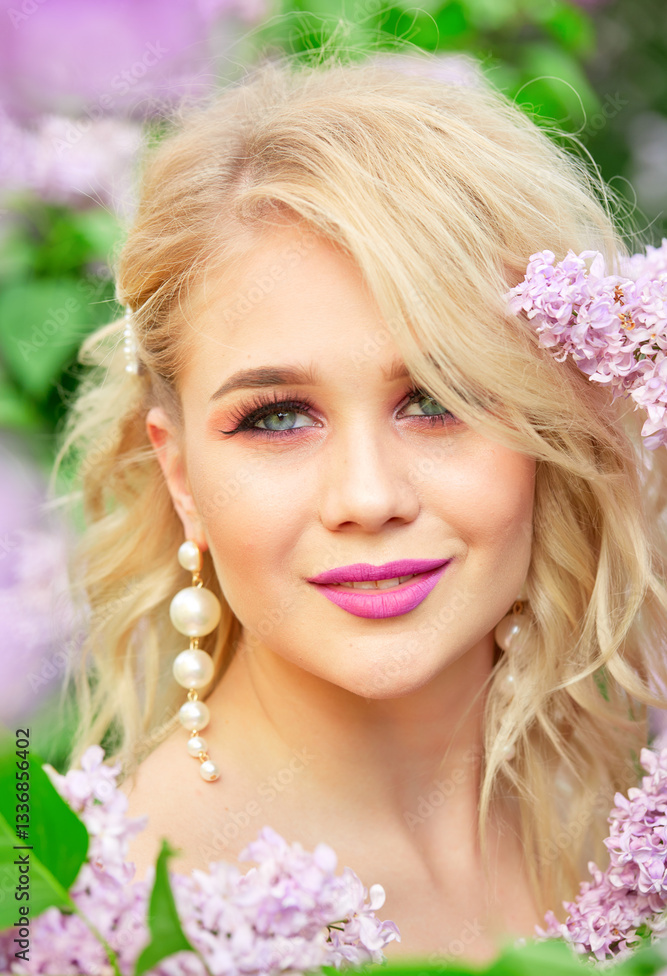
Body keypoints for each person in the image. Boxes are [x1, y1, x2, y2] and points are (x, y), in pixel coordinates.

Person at [53, 48, 667, 963]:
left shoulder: (622, 817)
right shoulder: (108, 921)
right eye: (276, 417)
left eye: (438, 400)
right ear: (179, 476)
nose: (368, 497)